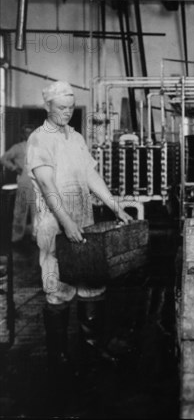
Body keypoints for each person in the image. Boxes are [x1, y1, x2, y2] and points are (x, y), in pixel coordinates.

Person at [26, 81, 132, 380]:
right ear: (47, 107)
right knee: (57, 286)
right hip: (54, 224)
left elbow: (89, 174)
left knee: (91, 282)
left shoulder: (75, 137)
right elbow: (47, 186)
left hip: (83, 220)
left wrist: (115, 206)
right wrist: (66, 222)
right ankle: (58, 358)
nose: (67, 113)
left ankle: (91, 348)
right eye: (61, 108)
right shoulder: (39, 140)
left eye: (71, 108)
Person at [0, 124, 35, 245]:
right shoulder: (17, 147)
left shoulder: (39, 146)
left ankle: (36, 236)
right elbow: (3, 158)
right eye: (26, 132)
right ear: (22, 134)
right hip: (24, 180)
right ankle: (16, 237)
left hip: (38, 181)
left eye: (31, 132)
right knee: (21, 209)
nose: (29, 134)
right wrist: (14, 168)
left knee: (38, 210)